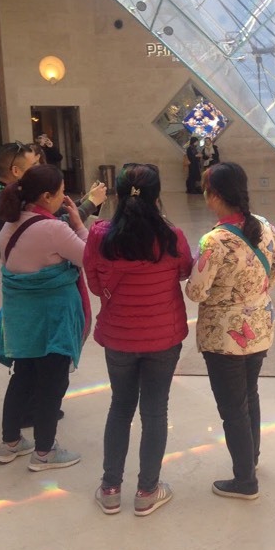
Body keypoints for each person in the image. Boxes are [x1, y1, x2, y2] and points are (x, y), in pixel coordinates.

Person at [84, 163, 193, 516]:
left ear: (116, 195)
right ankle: (147, 491)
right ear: (157, 196)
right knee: (154, 410)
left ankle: (111, 487)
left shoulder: (100, 236)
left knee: (120, 406)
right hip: (164, 337)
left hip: (119, 337)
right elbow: (185, 272)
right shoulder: (171, 236)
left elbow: (96, 284)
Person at [185, 162, 275, 499]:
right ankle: (251, 459)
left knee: (232, 408)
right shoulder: (265, 226)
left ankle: (245, 480)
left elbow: (196, 291)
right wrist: (255, 291)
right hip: (258, 326)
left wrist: (229, 297)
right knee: (250, 394)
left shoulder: (214, 241)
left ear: (214, 195)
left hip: (224, 336)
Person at [0, 164, 89, 470]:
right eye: (61, 193)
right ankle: (44, 453)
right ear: (47, 196)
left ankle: (10, 443)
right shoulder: (53, 229)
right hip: (53, 320)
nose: (64, 198)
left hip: (22, 319)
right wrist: (78, 223)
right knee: (52, 384)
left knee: (23, 377)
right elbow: (89, 258)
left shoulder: (10, 224)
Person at [0, 142, 40, 241]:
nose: (38, 168)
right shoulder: (3, 202)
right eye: (33, 165)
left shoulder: (4, 190)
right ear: (16, 171)